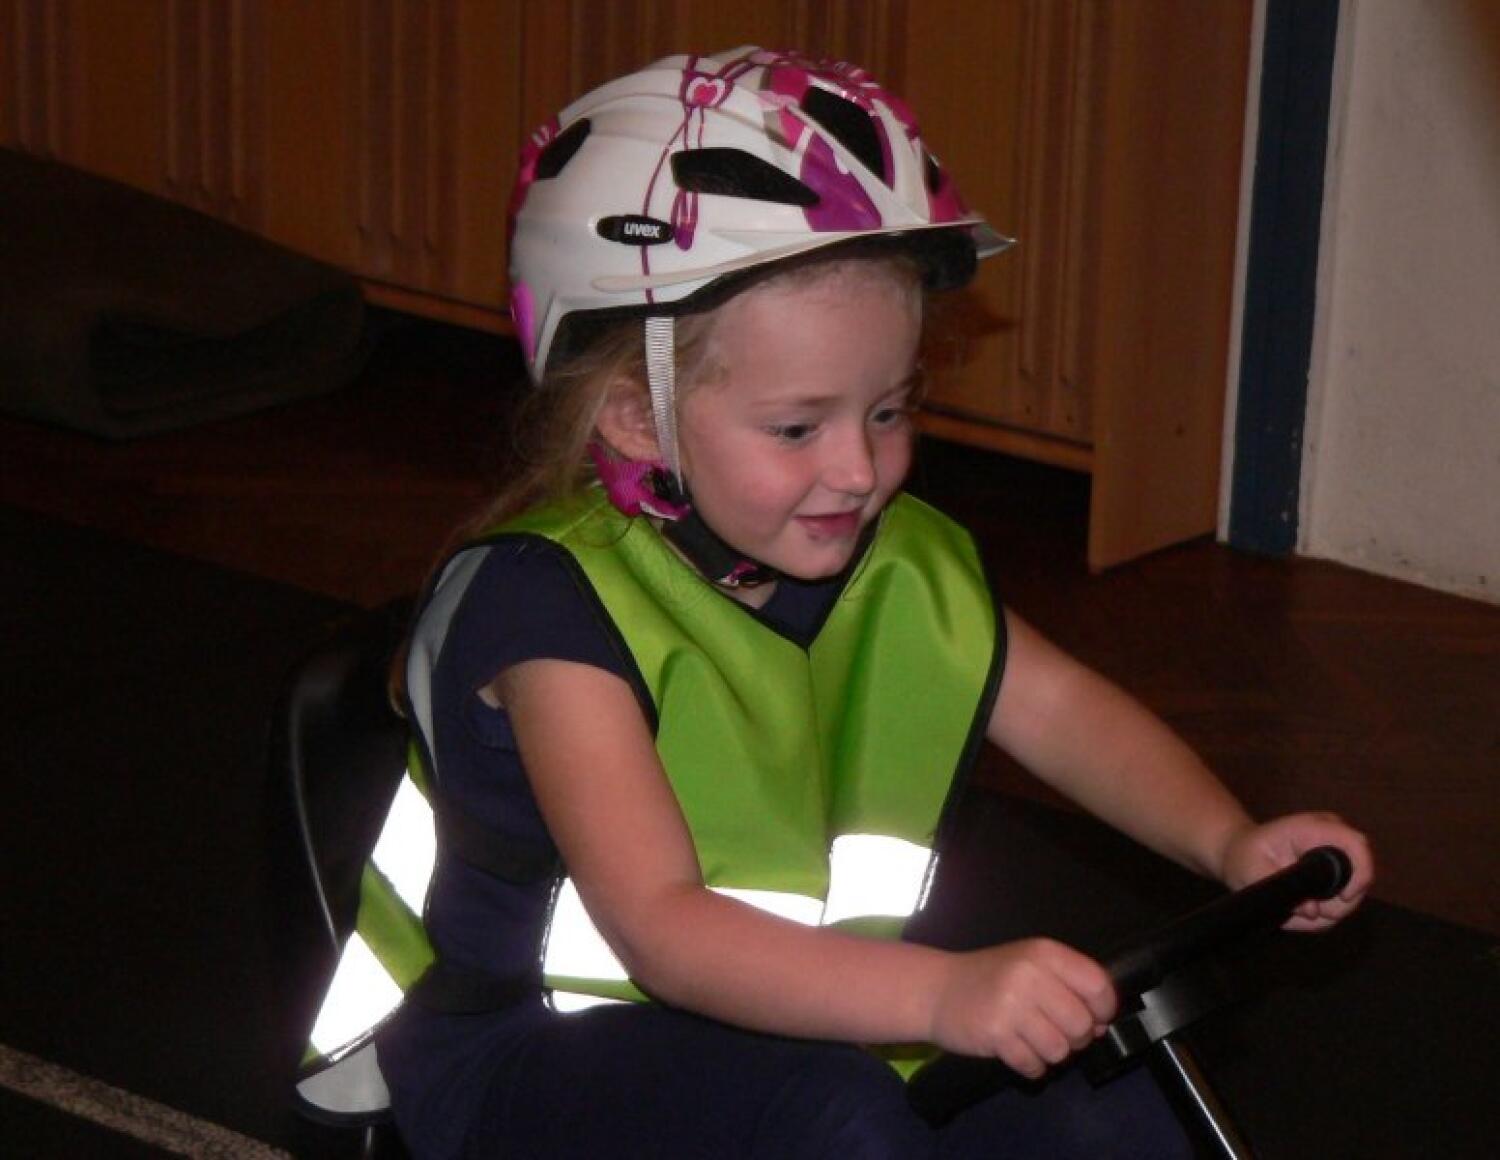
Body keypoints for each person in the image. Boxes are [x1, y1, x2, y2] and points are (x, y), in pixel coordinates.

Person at [308, 47, 1374, 1158]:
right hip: (530, 1058)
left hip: (798, 1024)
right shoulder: (548, 611)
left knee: (1108, 1099)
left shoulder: (901, 565)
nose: (860, 470)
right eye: (798, 426)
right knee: (839, 1123)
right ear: (635, 418)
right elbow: (663, 930)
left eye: (889, 410)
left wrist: (1229, 837)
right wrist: (942, 995)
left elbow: (1063, 714)